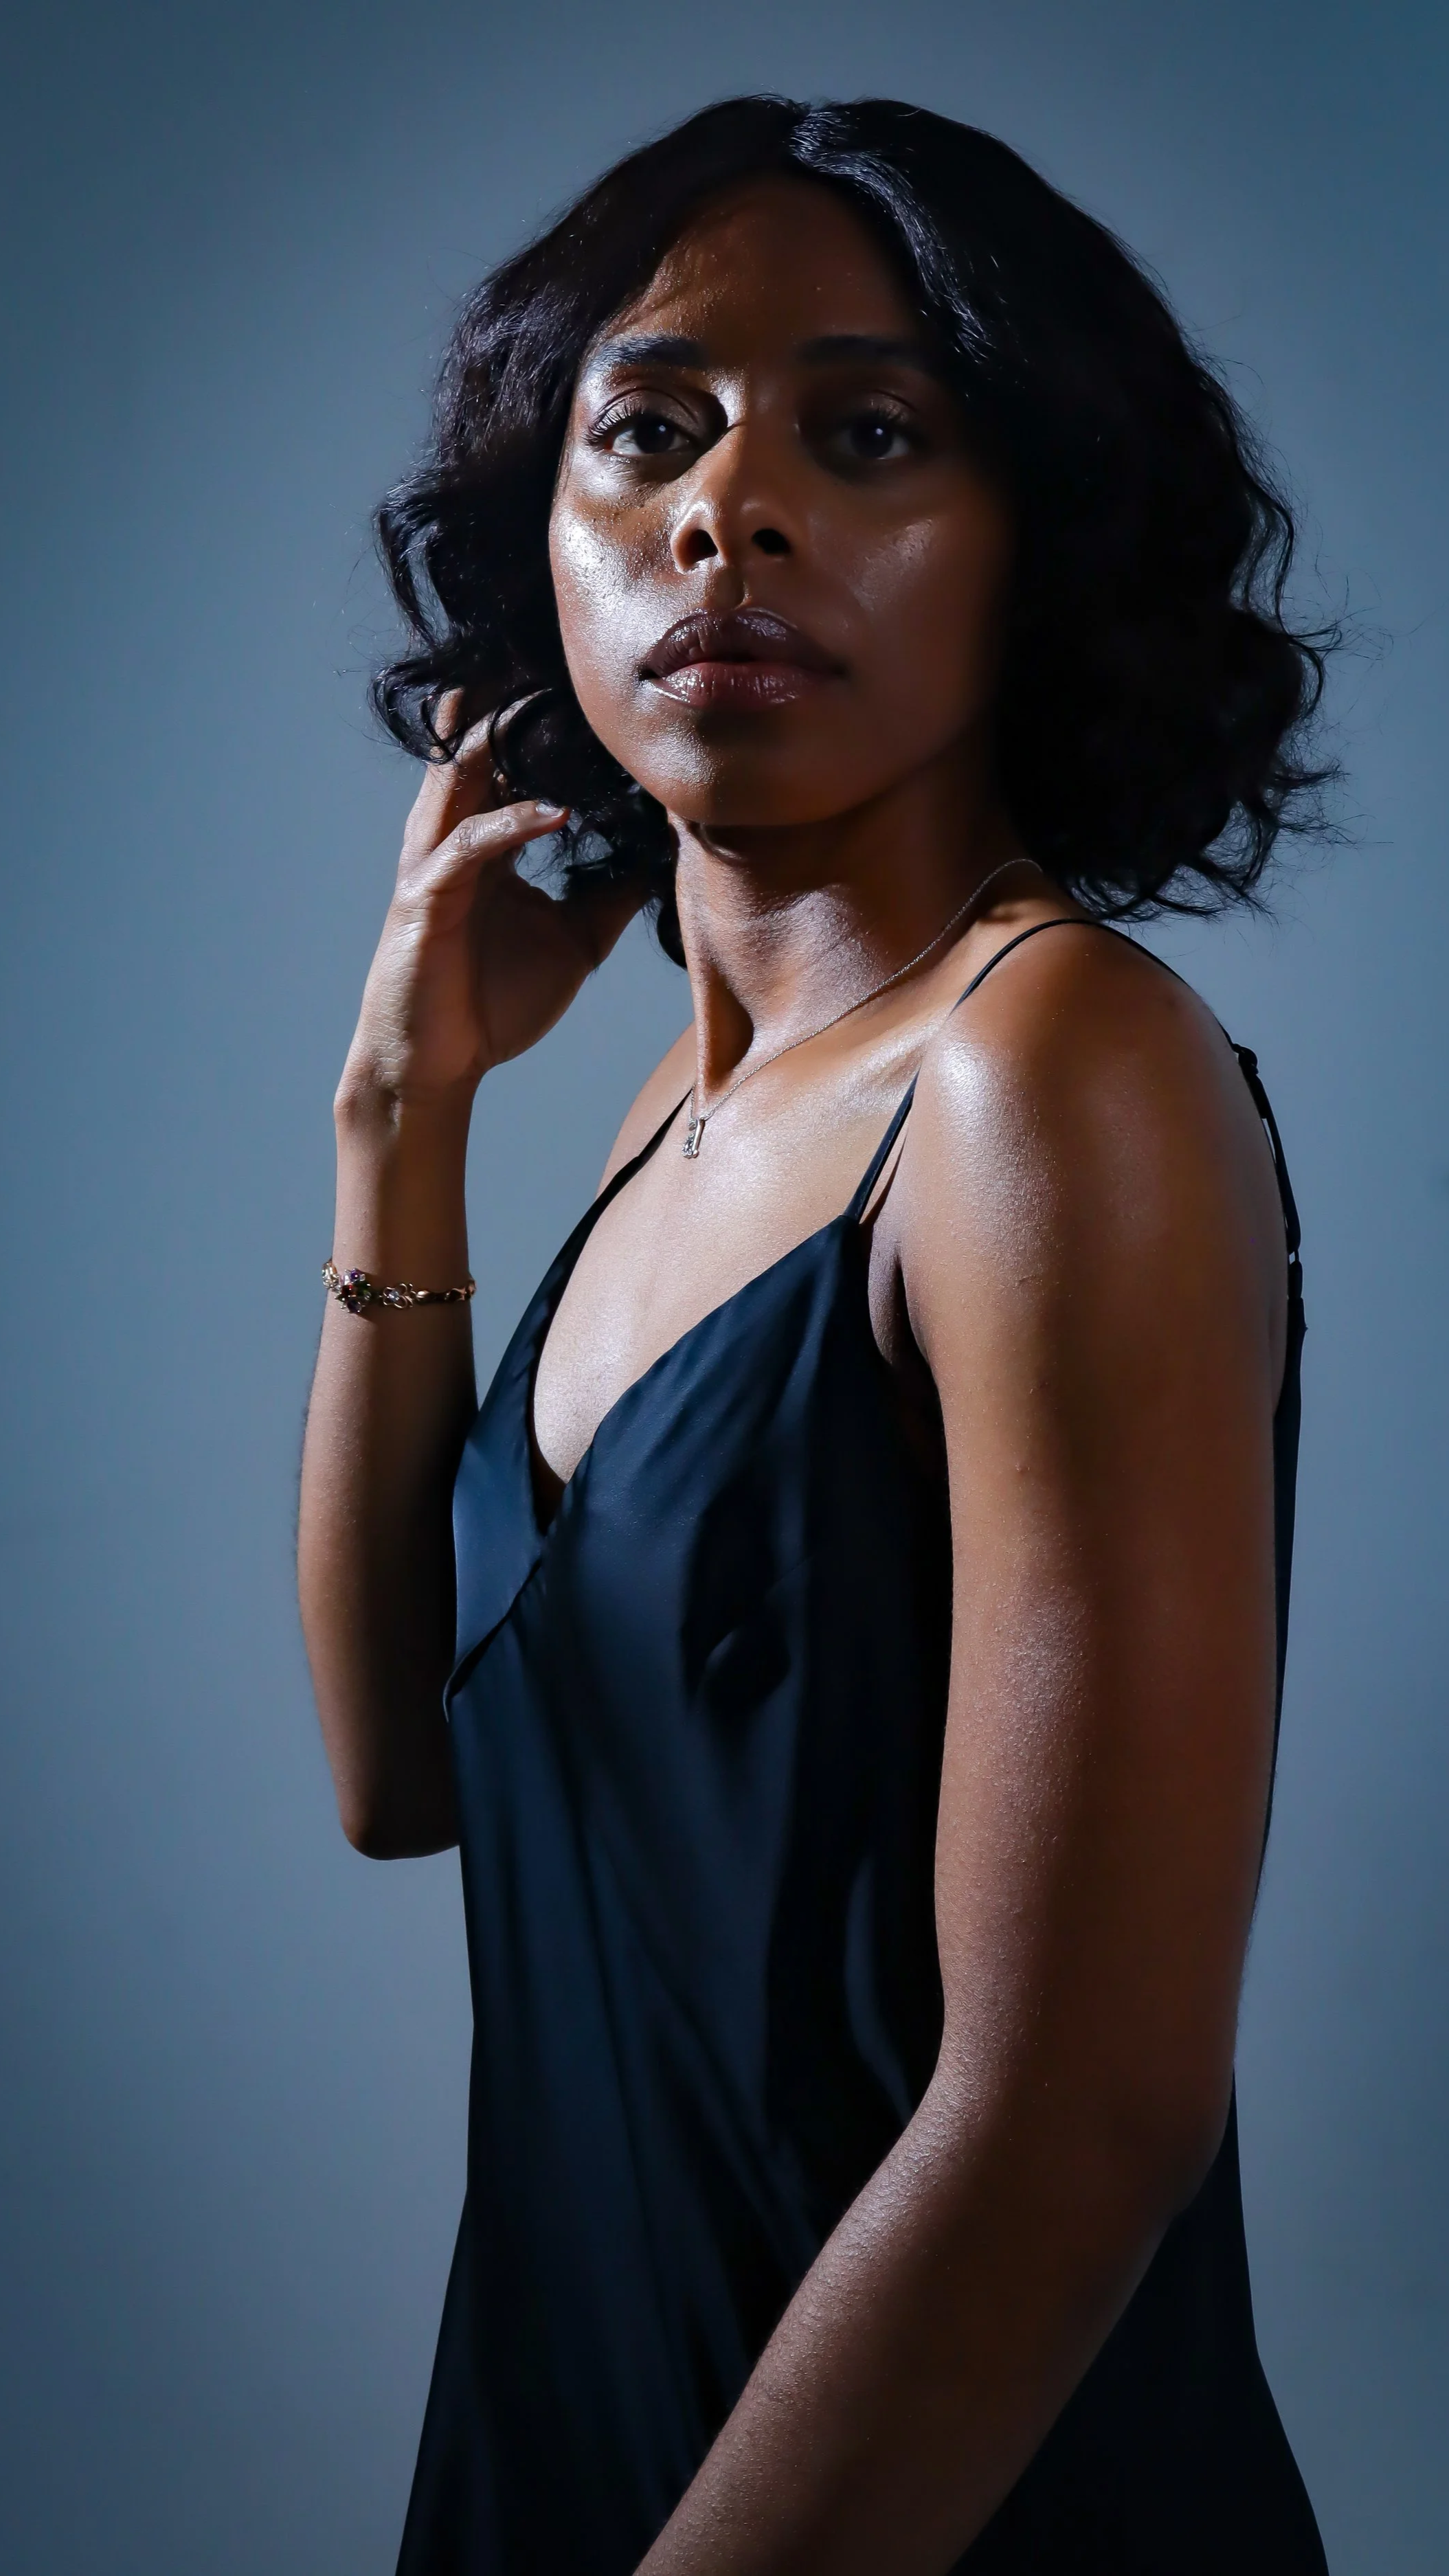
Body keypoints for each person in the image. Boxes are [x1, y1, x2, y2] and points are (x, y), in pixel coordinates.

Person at [297, 96, 1331, 2575]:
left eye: (864, 435)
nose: (721, 510)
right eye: (645, 429)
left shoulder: (1042, 1068)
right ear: (537, 546)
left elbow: (1077, 2114)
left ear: (1033, 545)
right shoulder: (676, 1106)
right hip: (566, 2446)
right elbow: (395, 1769)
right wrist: (397, 1117)